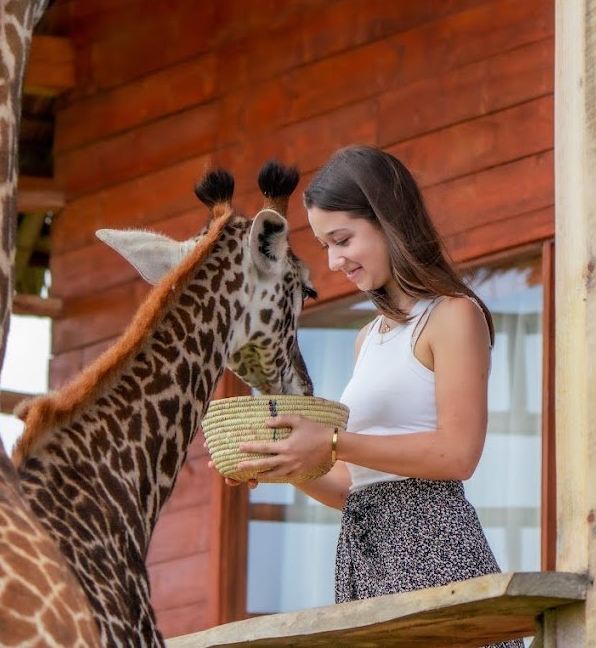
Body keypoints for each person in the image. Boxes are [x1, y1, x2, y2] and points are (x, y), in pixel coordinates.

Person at [223, 144, 523, 648]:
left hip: (431, 547)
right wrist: (286, 463)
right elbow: (354, 487)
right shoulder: (370, 337)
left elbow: (458, 453)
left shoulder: (453, 315)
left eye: (342, 239)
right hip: (366, 554)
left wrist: (335, 443)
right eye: (324, 245)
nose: (334, 261)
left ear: (388, 221)